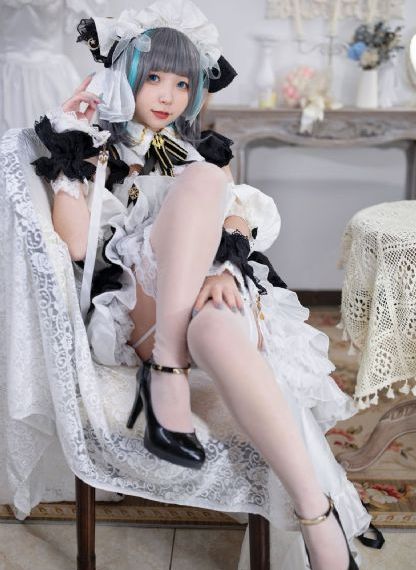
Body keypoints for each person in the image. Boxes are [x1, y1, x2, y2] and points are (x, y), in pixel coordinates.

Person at [31, 1, 371, 568]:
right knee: (206, 182)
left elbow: (238, 219)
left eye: (182, 83)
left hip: (208, 294)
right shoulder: (91, 150)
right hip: (141, 306)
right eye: (153, 79)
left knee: (215, 321)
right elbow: (75, 245)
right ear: (123, 77)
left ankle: (317, 520)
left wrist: (221, 267)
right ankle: (167, 367)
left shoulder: (200, 154)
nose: (167, 95)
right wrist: (74, 138)